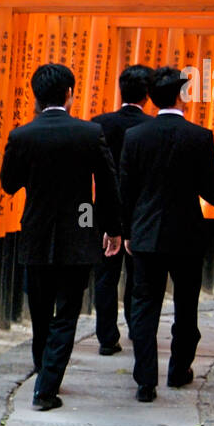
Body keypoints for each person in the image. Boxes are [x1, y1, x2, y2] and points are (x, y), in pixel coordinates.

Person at [118, 66, 214, 403]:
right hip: (187, 235)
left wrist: (126, 231)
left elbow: (126, 190)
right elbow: (209, 189)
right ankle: (178, 371)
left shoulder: (135, 137)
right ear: (180, 96)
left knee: (144, 307)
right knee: (186, 306)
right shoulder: (199, 136)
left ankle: (145, 382)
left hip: (146, 235)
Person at [1, 63, 122, 411]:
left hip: (36, 236)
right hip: (78, 236)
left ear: (35, 95)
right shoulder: (89, 133)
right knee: (67, 314)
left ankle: (43, 369)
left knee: (39, 310)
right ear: (70, 94)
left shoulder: (21, 136)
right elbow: (109, 186)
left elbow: (9, 184)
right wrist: (112, 229)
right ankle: (46, 386)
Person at [90, 65, 154, 356]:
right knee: (138, 274)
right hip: (142, 211)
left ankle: (106, 337)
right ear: (147, 95)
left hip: (103, 209)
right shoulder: (151, 128)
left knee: (105, 275)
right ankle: (135, 326)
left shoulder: (99, 124)